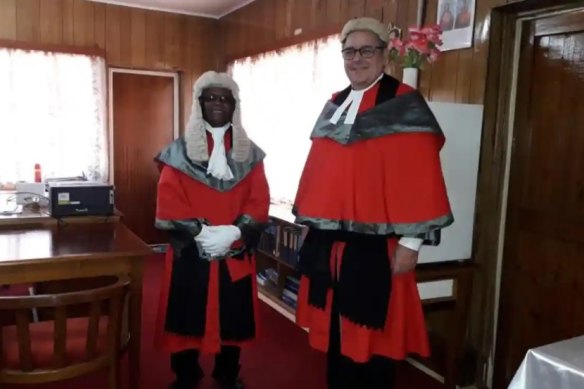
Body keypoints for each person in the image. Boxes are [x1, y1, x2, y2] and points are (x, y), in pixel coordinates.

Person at [293, 17, 454, 389]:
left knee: (373, 341)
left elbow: (421, 177)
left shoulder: (404, 104)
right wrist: (313, 225)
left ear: (385, 56)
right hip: (330, 244)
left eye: (367, 50)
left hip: (379, 248)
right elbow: (321, 171)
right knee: (336, 337)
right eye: (349, 51)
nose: (357, 58)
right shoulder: (334, 104)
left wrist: (412, 243)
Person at [153, 71, 270, 389]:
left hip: (233, 248)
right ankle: (186, 375)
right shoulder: (179, 152)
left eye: (225, 98)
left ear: (235, 105)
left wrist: (234, 233)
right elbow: (169, 198)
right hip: (192, 250)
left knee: (233, 315)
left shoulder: (251, 155)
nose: (218, 103)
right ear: (199, 103)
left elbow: (259, 198)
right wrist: (202, 234)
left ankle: (228, 374)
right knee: (186, 311)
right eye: (211, 97)